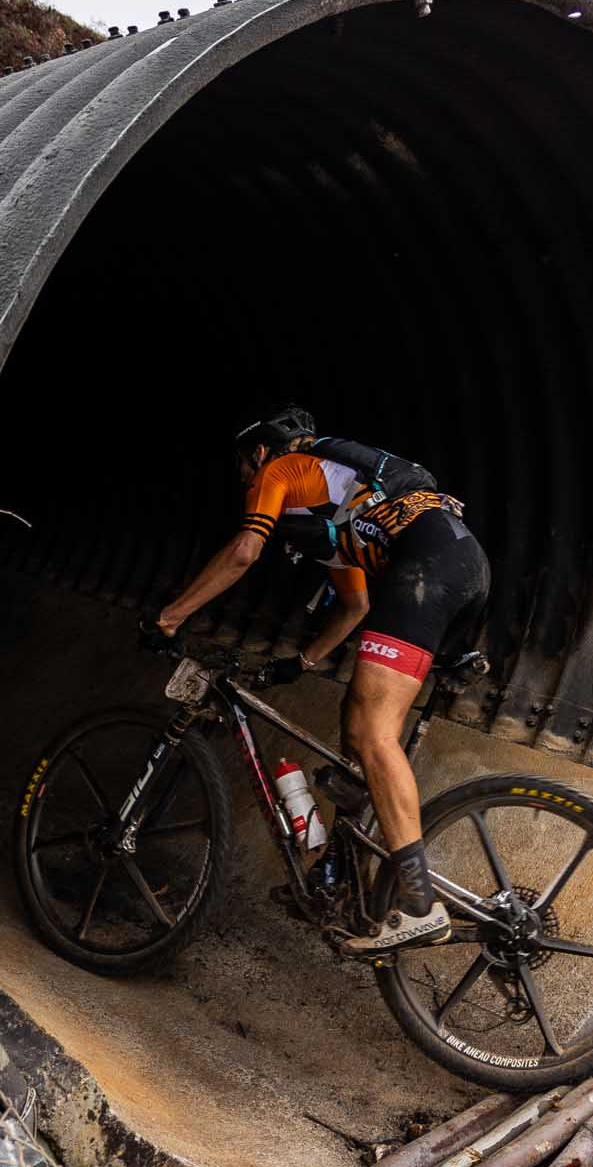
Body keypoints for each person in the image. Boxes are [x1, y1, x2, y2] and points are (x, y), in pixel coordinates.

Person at [148, 404, 490, 952]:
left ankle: (421, 905)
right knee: (355, 733)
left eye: (243, 466)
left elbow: (243, 552)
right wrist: (300, 663)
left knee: (374, 733)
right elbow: (353, 607)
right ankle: (337, 872)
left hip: (426, 570)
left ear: (259, 451)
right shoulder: (341, 508)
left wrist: (169, 617)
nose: (245, 479)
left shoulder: (280, 470)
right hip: (465, 566)